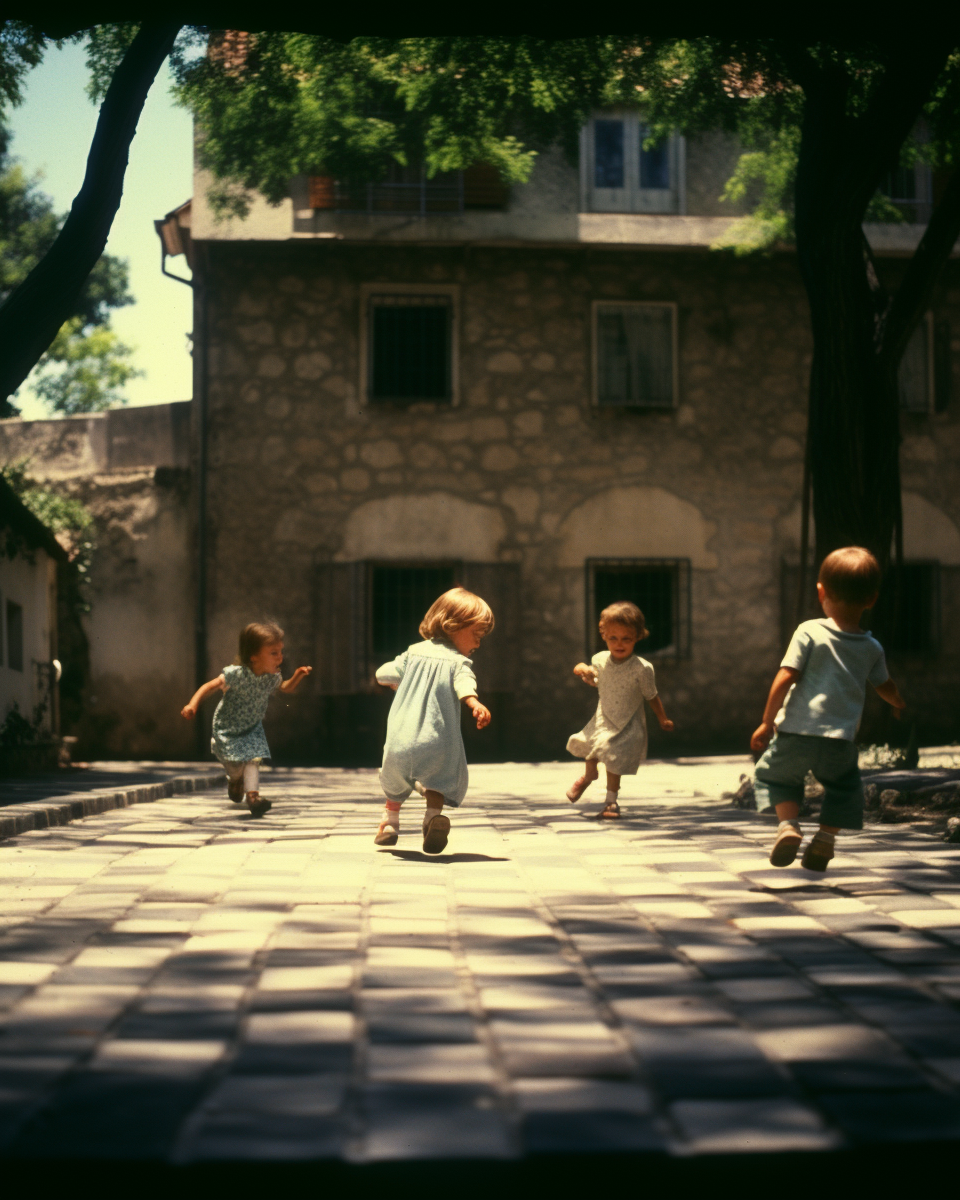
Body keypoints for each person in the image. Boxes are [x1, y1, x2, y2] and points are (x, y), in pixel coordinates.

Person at [751, 546, 906, 872]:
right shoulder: (871, 647)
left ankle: (788, 827)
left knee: (775, 777)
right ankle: (825, 839)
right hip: (839, 739)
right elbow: (885, 686)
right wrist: (898, 703)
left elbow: (785, 676)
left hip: (796, 731)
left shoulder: (809, 631)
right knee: (845, 788)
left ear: (821, 591)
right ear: (872, 599)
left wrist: (766, 722)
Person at [374, 587, 493, 854]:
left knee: (394, 778)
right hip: (436, 739)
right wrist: (474, 703)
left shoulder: (413, 652)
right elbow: (465, 684)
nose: (478, 643)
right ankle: (431, 821)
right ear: (453, 625)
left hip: (400, 738)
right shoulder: (458, 662)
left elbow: (383, 674)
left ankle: (390, 823)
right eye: (476, 634)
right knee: (438, 778)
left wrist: (399, 681)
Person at [181, 621, 312, 817]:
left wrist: (297, 676)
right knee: (235, 767)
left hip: (252, 727)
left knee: (253, 759)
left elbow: (285, 687)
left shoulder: (271, 678)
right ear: (254, 656)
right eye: (273, 653)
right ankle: (234, 780)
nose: (280, 658)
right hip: (228, 728)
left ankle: (253, 798)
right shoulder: (236, 675)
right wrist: (192, 705)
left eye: (280, 652)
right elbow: (209, 686)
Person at [566, 600, 674, 818]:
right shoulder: (600, 659)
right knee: (590, 747)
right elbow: (590, 674)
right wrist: (582, 670)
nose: (619, 643)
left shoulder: (642, 668)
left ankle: (611, 803)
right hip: (603, 718)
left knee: (612, 755)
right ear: (603, 634)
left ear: (637, 637)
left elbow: (651, 695)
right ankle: (588, 777)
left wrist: (662, 718)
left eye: (627, 638)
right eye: (613, 638)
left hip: (627, 722)